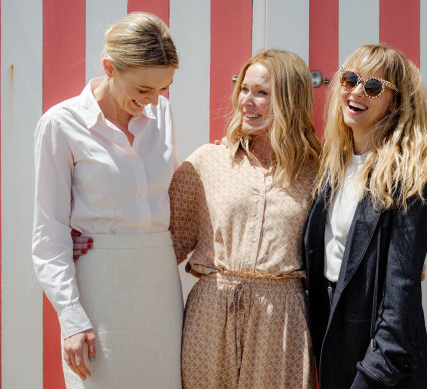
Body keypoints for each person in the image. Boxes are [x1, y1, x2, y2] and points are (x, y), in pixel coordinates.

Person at [32, 12, 183, 388]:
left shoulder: (161, 113)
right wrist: (71, 317)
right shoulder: (61, 124)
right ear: (109, 68)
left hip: (160, 285)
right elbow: (48, 232)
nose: (152, 101)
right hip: (99, 287)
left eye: (162, 89)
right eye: (143, 89)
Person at [168, 49, 321, 388]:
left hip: (281, 320)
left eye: (262, 92)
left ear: (290, 101)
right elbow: (164, 245)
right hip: (211, 314)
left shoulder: (318, 171)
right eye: (244, 89)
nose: (247, 102)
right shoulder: (207, 162)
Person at [304, 44, 427, 389]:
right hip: (330, 328)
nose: (358, 91)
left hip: (375, 352)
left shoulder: (409, 181)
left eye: (374, 86)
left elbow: (401, 292)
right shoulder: (331, 166)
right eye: (350, 79)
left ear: (395, 102)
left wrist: (375, 371)